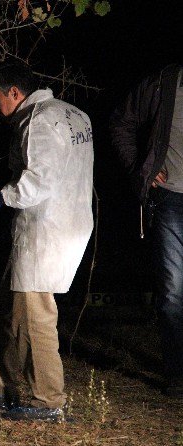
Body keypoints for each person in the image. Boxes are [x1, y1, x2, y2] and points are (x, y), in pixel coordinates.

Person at [0, 60, 94, 421]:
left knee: (35, 314)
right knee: (7, 304)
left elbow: (37, 183)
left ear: (15, 93)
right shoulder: (75, 114)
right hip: (70, 221)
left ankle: (47, 400)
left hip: (46, 229)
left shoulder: (40, 120)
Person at [109, 63, 183, 398]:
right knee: (172, 293)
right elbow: (121, 124)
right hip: (171, 200)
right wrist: (142, 169)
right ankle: (177, 376)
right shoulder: (162, 82)